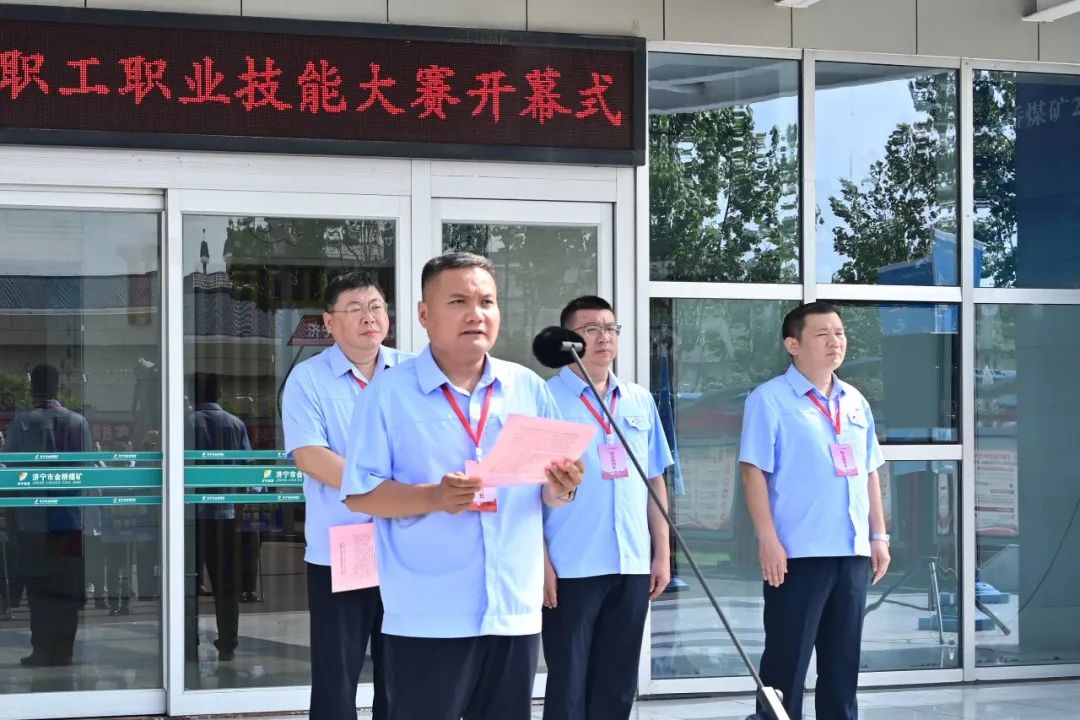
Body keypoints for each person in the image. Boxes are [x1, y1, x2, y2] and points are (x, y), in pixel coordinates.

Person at [340, 252, 584, 720]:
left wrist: (563, 486)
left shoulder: (529, 388)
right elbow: (360, 494)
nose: (476, 314)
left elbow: (547, 492)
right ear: (424, 314)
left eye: (487, 302)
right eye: (458, 301)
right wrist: (432, 497)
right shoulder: (388, 395)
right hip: (429, 613)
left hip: (512, 609)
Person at [738, 301, 890, 720]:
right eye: (822, 334)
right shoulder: (769, 399)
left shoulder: (854, 400)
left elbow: (869, 470)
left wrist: (879, 535)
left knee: (842, 665)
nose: (835, 342)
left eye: (839, 333)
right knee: (785, 663)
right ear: (793, 344)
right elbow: (752, 472)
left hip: (851, 551)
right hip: (798, 553)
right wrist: (768, 539)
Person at [283, 270, 413, 720]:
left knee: (402, 670)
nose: (369, 318)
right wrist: (389, 494)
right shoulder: (308, 379)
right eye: (355, 309)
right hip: (343, 547)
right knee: (337, 672)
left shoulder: (413, 372)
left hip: (407, 542)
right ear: (329, 321)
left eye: (376, 307)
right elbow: (311, 456)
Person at [540, 296, 673, 720]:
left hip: (630, 562)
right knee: (568, 685)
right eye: (591, 329)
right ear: (568, 340)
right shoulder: (543, 399)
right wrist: (540, 562)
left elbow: (654, 479)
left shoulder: (638, 399)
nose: (603, 337)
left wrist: (662, 552)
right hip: (571, 565)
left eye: (610, 328)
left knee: (618, 685)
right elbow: (522, 493)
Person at [5, 364, 91, 666]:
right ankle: (65, 649)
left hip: (33, 522)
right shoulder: (79, 422)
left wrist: (12, 514)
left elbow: (11, 471)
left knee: (38, 588)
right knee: (66, 587)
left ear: (32, 388)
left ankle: (41, 649)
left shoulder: (22, 422)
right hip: (69, 520)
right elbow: (86, 470)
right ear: (58, 387)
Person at [186, 371, 251, 662]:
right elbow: (247, 469)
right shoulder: (235, 424)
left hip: (190, 516)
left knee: (187, 581)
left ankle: (186, 641)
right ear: (220, 394)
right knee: (226, 582)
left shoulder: (184, 422)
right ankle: (228, 642)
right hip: (226, 514)